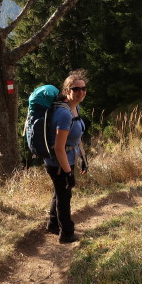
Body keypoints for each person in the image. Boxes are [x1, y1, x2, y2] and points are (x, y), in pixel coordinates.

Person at [44, 71, 88, 243]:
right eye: (76, 88)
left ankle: (53, 224)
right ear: (67, 90)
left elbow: (77, 138)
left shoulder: (75, 108)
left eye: (83, 88)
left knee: (59, 192)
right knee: (64, 196)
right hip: (58, 163)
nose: (81, 92)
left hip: (68, 160)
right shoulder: (63, 114)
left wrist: (83, 158)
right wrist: (68, 172)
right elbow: (58, 147)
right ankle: (66, 233)